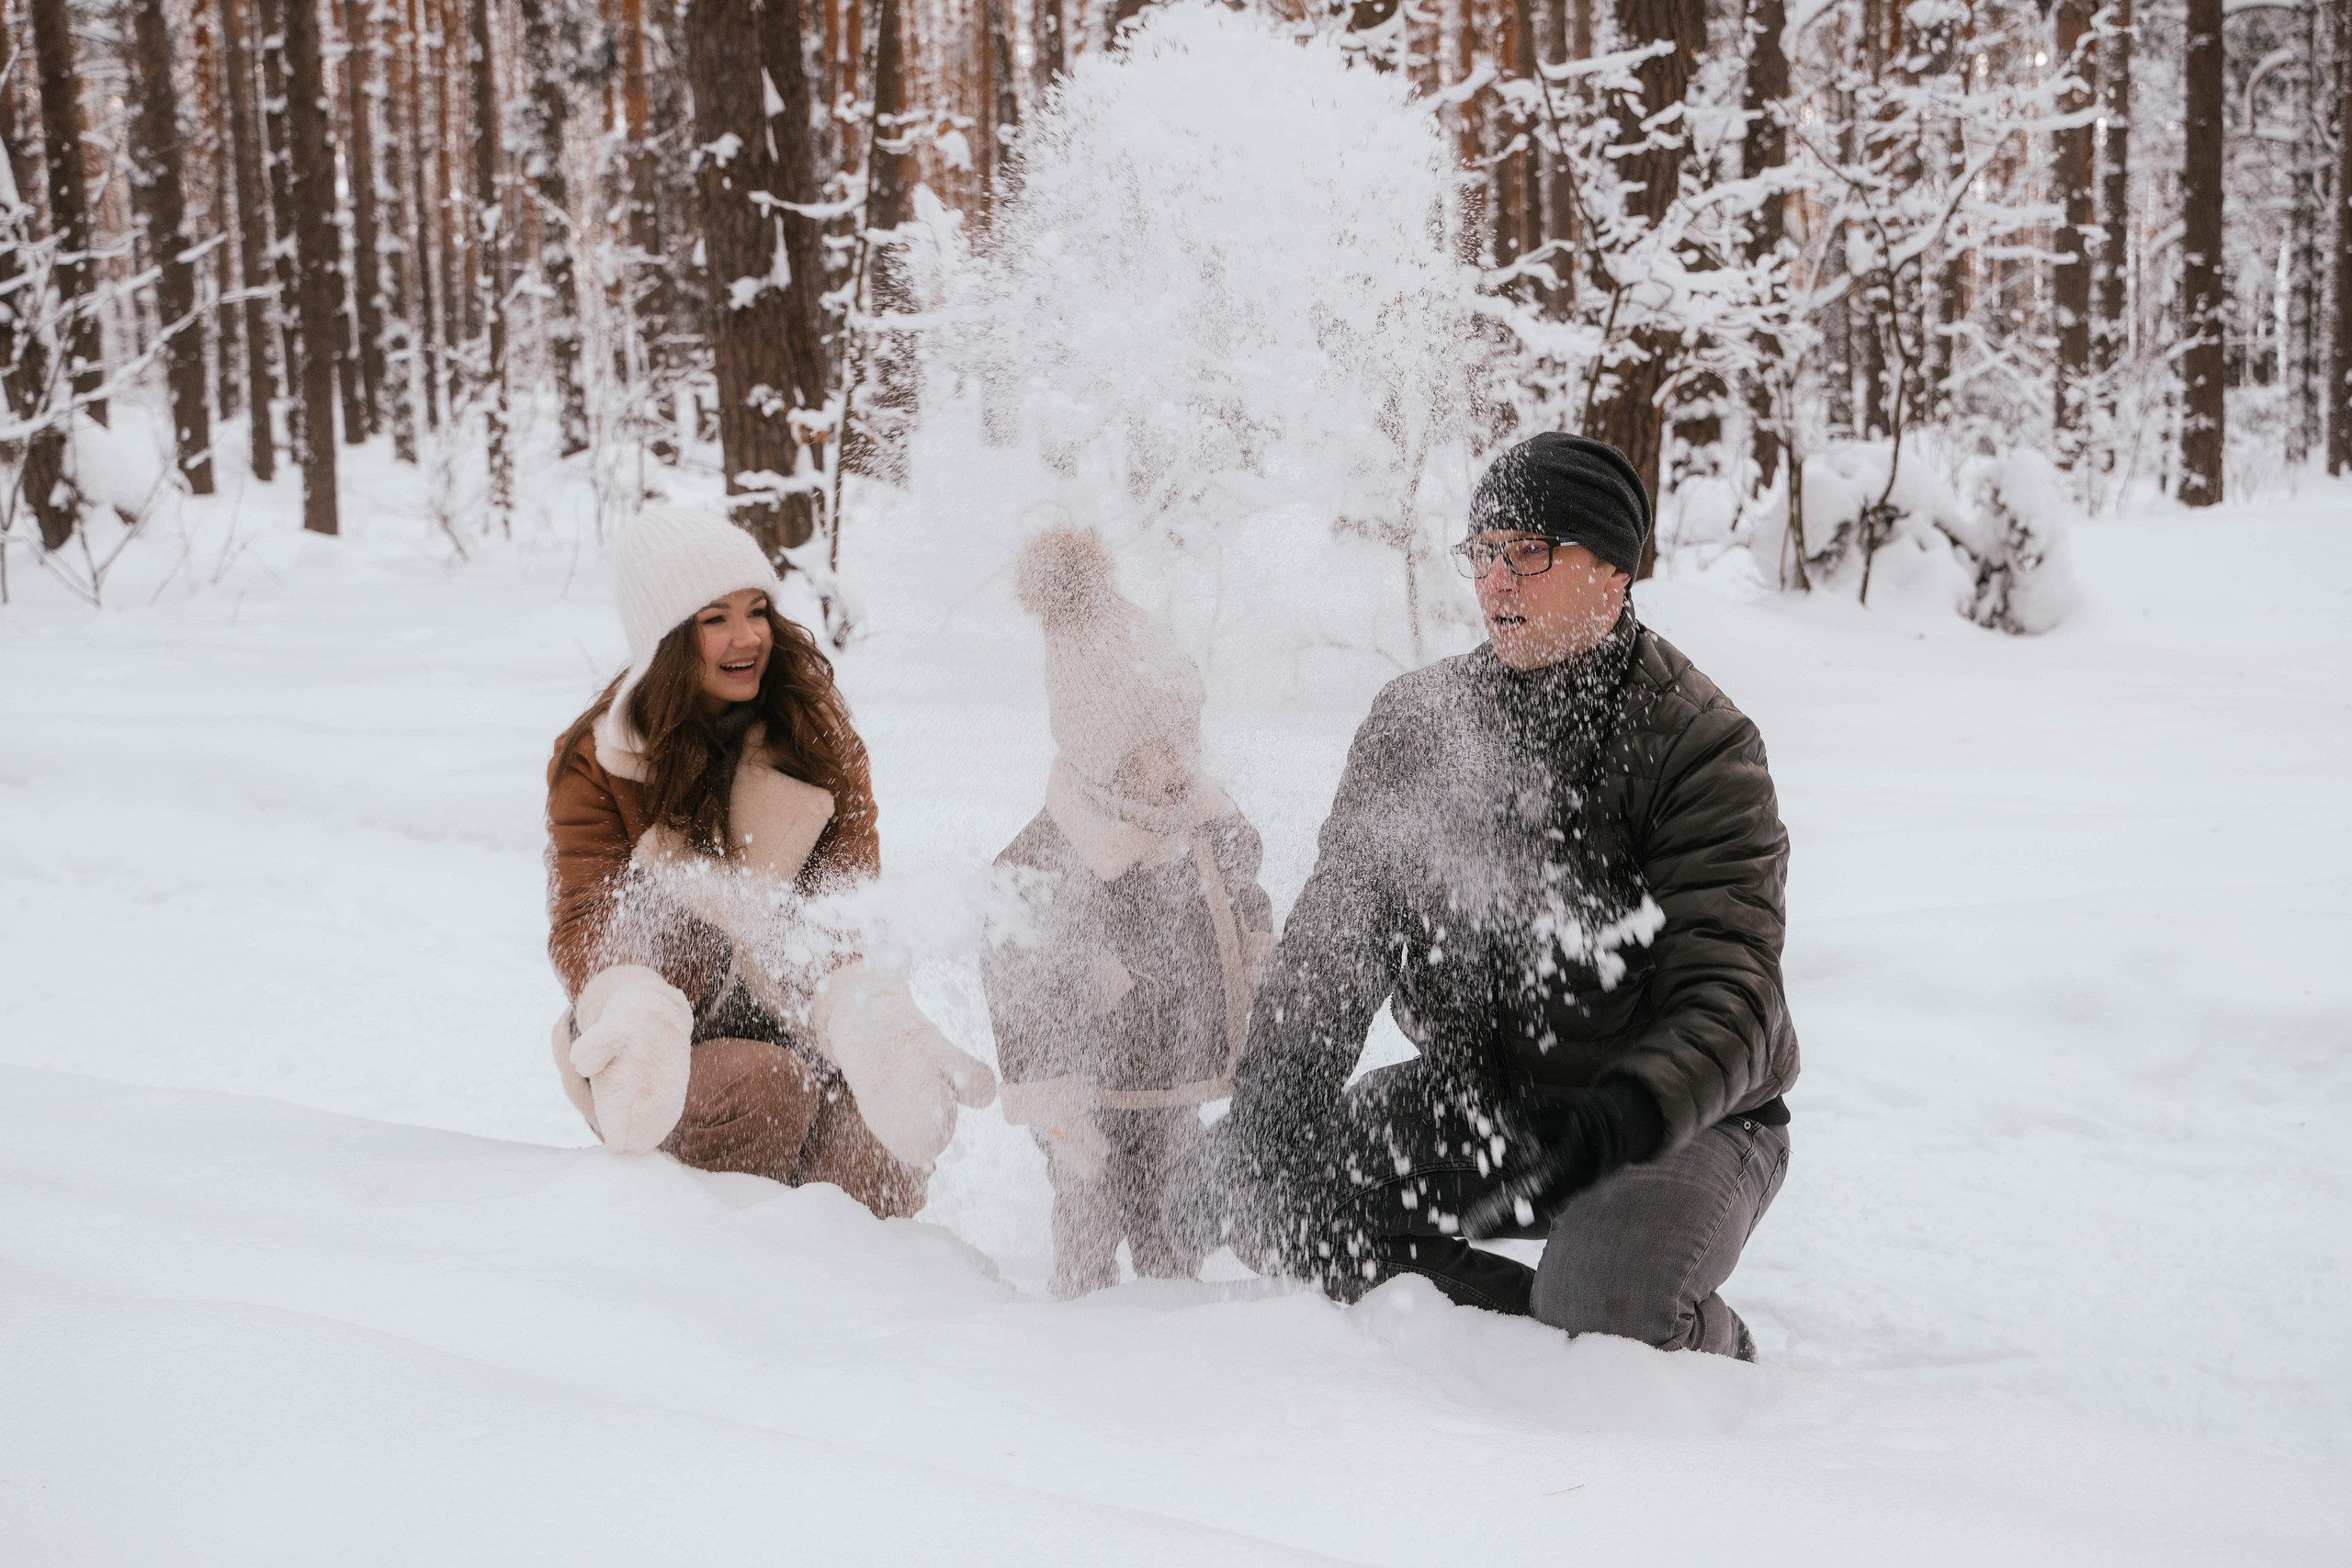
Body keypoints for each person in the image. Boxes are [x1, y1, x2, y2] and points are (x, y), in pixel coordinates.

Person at [1168, 433, 1797, 1359]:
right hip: (1486, 1106)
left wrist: (1617, 1119)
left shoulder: (1700, 745)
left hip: (1673, 1121)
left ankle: (1673, 1342)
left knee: (1610, 1298)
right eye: (1483, 553)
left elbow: (1731, 997)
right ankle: (1529, 1340)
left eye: (1530, 554)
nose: (1496, 583)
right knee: (1275, 1208)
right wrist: (1265, 1124)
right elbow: (1334, 948)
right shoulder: (1417, 724)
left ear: (1615, 570)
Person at [545, 506, 995, 1216]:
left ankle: (873, 1310)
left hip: (799, 1015)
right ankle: (722, 1287)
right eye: (715, 618)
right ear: (666, 637)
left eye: (757, 610)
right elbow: (585, 922)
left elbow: (847, 907)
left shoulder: (817, 740)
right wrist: (636, 1004)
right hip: (659, 1042)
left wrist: (866, 1013)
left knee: (877, 1142)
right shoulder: (601, 761)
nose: (749, 636)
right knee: (763, 1083)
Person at [982, 530, 1277, 1297]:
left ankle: (1173, 1323)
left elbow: (1244, 902)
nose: (1185, 761)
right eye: (1160, 746)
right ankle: (1078, 1324)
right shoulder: (1042, 860)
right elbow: (1013, 980)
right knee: (1088, 1205)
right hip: (1082, 1099)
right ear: (1104, 752)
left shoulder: (1207, 826)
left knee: (1174, 1212)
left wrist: (1261, 957)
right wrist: (1049, 1099)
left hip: (1174, 1081)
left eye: (1190, 737)